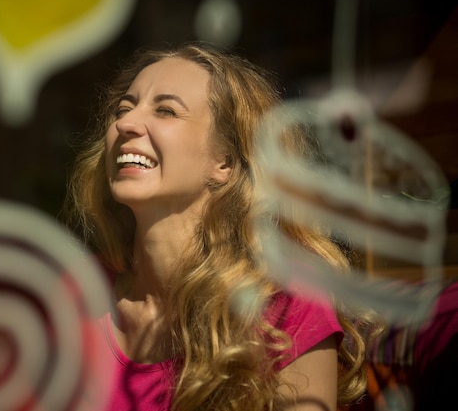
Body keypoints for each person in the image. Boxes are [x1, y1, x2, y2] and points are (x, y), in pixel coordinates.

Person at [61, 41, 383, 411]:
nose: (125, 123)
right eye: (124, 108)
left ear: (224, 161)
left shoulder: (284, 303)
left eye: (165, 110)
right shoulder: (76, 294)